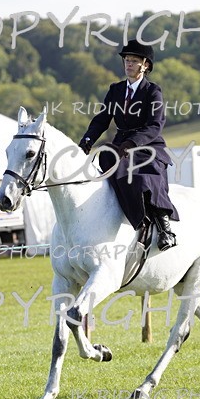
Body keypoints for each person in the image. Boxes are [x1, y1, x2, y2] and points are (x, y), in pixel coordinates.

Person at [78, 39, 179, 251]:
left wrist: (133, 143)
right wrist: (88, 139)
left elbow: (155, 125)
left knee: (145, 176)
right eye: (126, 60)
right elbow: (103, 118)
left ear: (145, 65)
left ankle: (164, 228)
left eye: (133, 61)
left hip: (147, 145)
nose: (128, 64)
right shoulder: (115, 90)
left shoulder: (152, 91)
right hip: (121, 144)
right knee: (105, 157)